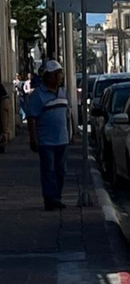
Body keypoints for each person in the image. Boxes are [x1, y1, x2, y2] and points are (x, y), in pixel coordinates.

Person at [26, 61, 72, 211]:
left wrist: (70, 133)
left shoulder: (63, 92)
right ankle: (50, 199)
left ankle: (57, 196)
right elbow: (32, 119)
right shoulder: (38, 95)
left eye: (60, 73)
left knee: (61, 170)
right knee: (49, 170)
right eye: (56, 74)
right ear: (48, 76)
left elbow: (67, 115)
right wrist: (33, 139)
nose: (59, 77)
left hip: (62, 139)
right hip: (46, 141)